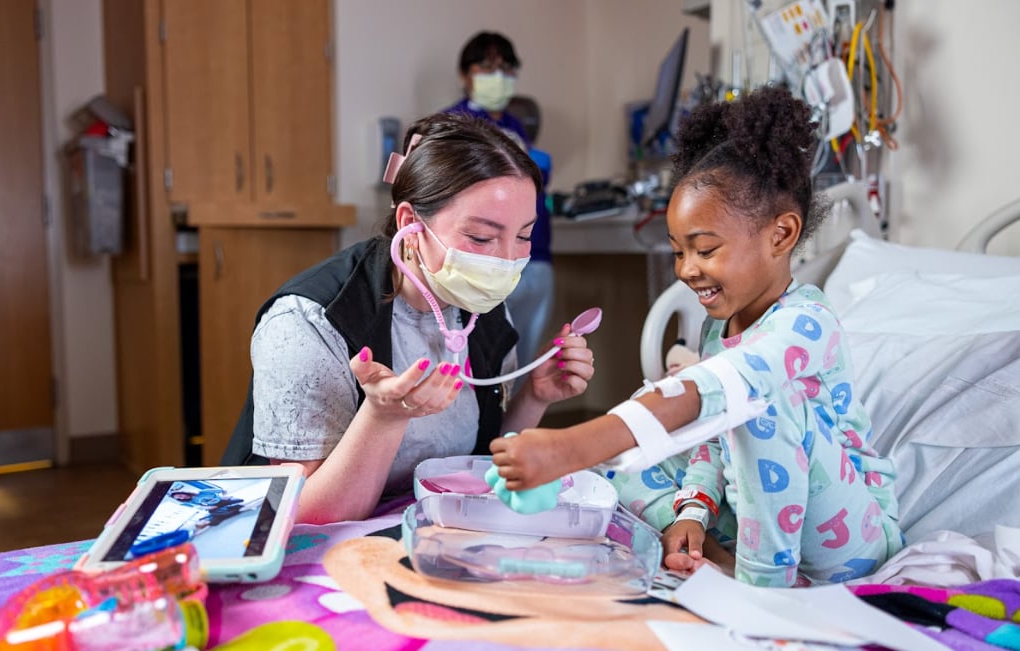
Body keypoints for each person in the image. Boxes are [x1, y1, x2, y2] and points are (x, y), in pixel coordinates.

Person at [487, 86, 903, 587]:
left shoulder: (807, 322)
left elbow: (731, 394)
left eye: (704, 250)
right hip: (755, 514)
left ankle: (761, 589)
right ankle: (700, 545)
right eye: (678, 252)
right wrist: (693, 510)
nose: (686, 270)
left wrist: (575, 445)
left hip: (848, 542)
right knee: (618, 468)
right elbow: (712, 437)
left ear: (781, 235)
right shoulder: (717, 328)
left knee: (757, 403)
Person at [221, 112, 596, 525]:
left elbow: (480, 467)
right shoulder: (309, 322)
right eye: (481, 237)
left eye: (523, 235)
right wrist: (383, 417)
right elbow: (306, 515)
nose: (506, 260)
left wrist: (535, 396)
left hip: (427, 526)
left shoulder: (483, 309)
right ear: (411, 223)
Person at [443, 31, 554, 366]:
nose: (499, 76)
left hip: (535, 253)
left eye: (506, 68)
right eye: (488, 67)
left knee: (523, 358)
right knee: (483, 357)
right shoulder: (453, 124)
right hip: (486, 257)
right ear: (466, 74)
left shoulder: (514, 125)